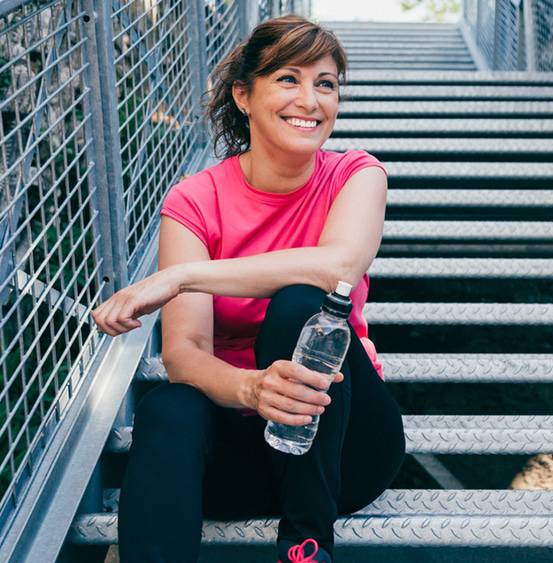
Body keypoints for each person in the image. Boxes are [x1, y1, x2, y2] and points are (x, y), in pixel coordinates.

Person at [90, 16, 405, 563]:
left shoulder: (357, 174)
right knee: (167, 405)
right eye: (289, 78)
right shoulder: (195, 200)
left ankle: (305, 548)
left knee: (304, 306)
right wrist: (254, 390)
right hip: (240, 453)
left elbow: (339, 265)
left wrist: (181, 276)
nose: (310, 100)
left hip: (344, 447)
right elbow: (184, 353)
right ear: (243, 94)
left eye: (325, 84)